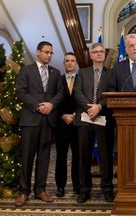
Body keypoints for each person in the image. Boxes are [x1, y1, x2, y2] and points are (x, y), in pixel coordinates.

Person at [15, 41, 64, 207]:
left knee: (44, 156)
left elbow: (60, 93)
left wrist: (51, 104)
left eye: (51, 53)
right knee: (27, 156)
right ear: (38, 52)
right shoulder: (26, 70)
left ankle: (40, 190)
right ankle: (23, 192)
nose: (49, 55)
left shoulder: (56, 72)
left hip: (48, 120)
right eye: (46, 52)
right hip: (30, 119)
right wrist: (38, 105)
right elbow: (21, 92)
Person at [73, 43, 115, 203]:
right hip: (85, 119)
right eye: (95, 52)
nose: (99, 54)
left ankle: (107, 188)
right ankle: (84, 190)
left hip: (104, 118)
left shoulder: (111, 74)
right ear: (90, 55)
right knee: (84, 156)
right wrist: (89, 108)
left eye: (102, 52)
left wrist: (99, 106)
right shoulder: (82, 73)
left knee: (105, 156)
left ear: (104, 55)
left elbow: (112, 93)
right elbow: (77, 92)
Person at [54, 52, 79, 197]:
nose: (69, 63)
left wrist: (74, 115)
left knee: (77, 157)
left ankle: (77, 185)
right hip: (61, 125)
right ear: (64, 63)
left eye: (72, 61)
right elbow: (54, 100)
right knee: (61, 157)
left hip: (77, 124)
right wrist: (63, 115)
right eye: (67, 61)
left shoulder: (81, 79)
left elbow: (83, 99)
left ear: (76, 64)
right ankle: (60, 187)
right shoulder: (57, 80)